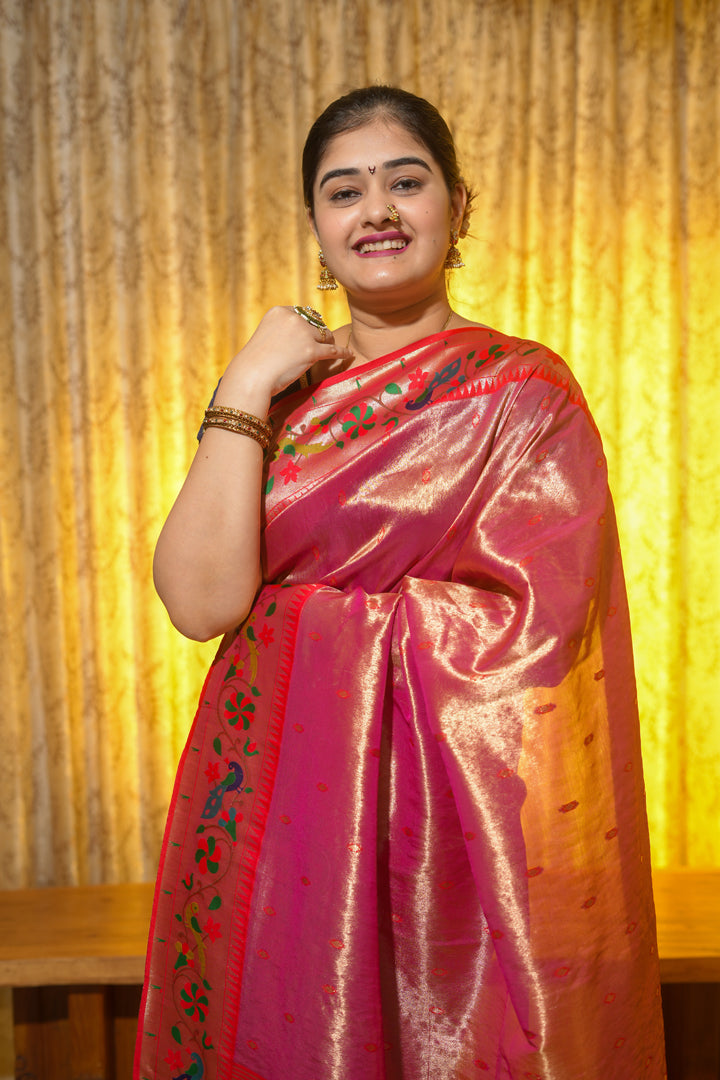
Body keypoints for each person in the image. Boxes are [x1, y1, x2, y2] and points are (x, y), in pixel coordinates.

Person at [135, 86, 665, 1080]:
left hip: (458, 862)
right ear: (315, 226)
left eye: (404, 182)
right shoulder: (276, 402)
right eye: (344, 191)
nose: (374, 209)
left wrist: (299, 613)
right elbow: (202, 604)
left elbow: (534, 639)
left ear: (458, 206)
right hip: (288, 824)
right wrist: (243, 388)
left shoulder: (524, 393)